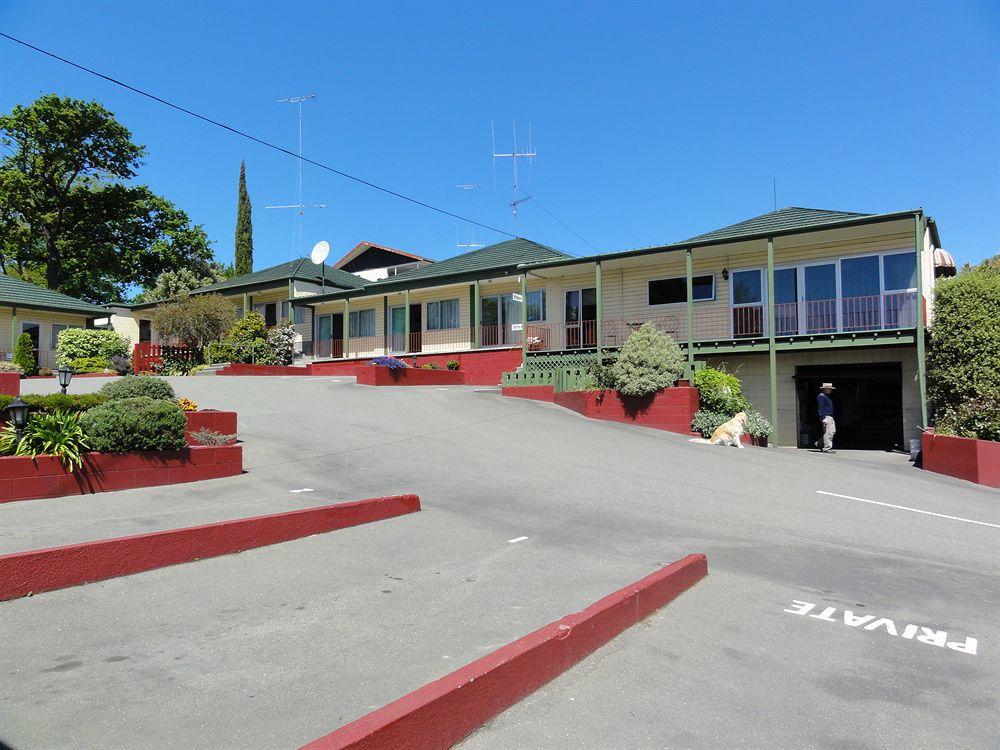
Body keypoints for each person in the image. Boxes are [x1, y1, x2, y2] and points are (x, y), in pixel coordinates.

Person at [815, 383, 836, 453]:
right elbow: (820, 407)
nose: (830, 390)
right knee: (828, 432)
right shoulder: (821, 396)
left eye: (831, 389)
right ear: (825, 389)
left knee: (832, 431)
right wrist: (823, 417)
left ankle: (819, 443)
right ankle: (827, 448)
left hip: (829, 416)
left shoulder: (827, 396)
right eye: (829, 389)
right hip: (826, 416)